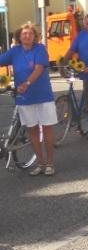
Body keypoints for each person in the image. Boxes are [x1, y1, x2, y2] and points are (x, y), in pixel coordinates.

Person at [0, 22, 57, 176]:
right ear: (19, 36)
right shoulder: (15, 51)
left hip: (43, 95)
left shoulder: (40, 49)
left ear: (34, 36)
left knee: (46, 128)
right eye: (24, 33)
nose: (27, 36)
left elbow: (39, 68)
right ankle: (40, 163)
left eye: (30, 34)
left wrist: (27, 83)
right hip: (24, 97)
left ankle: (50, 163)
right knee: (32, 129)